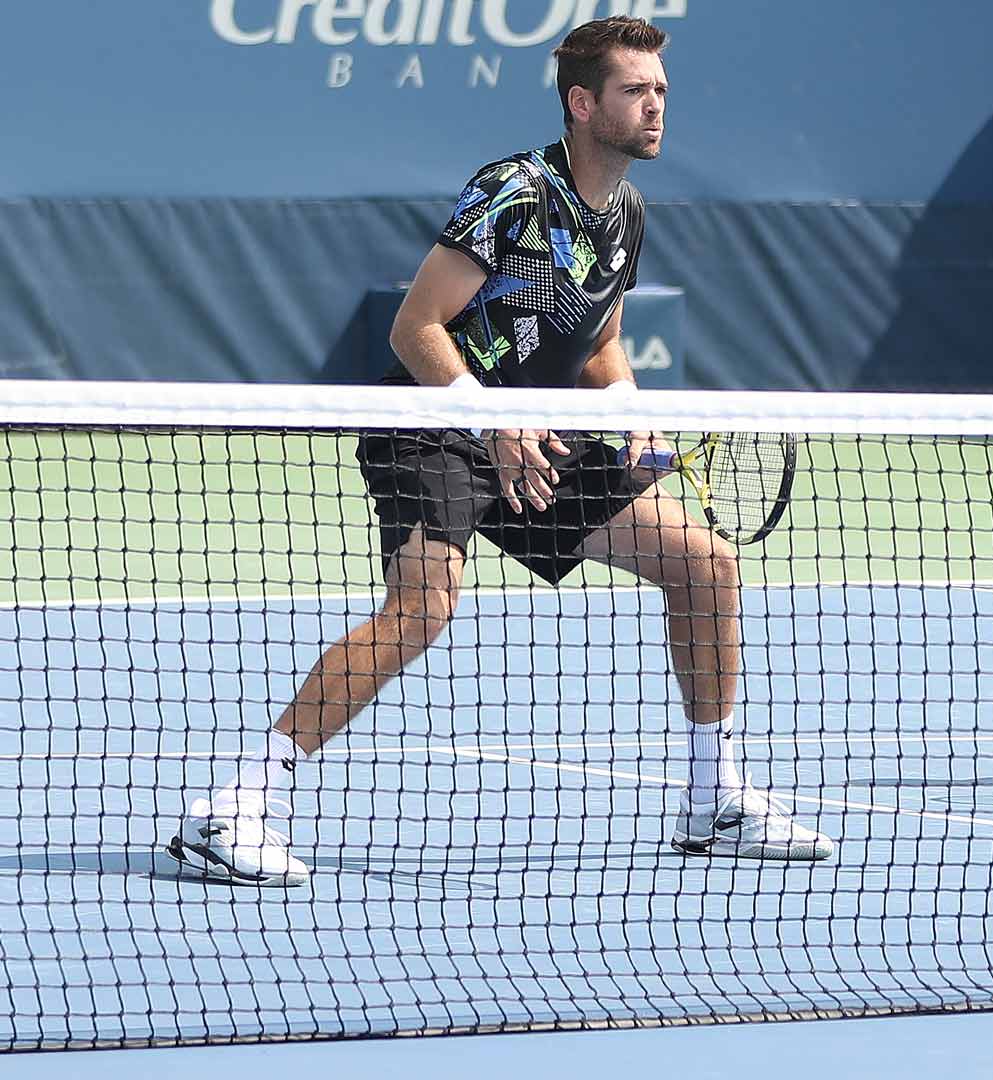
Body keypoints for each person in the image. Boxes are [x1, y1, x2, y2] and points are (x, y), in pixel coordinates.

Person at [168, 17, 833, 886]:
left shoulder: (626, 212)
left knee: (705, 566)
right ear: (582, 103)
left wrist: (634, 412)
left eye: (662, 90)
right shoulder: (513, 190)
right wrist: (492, 424)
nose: (656, 105)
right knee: (423, 610)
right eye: (637, 91)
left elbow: (600, 343)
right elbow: (416, 328)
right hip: (434, 428)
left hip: (540, 438)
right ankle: (234, 809)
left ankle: (713, 801)